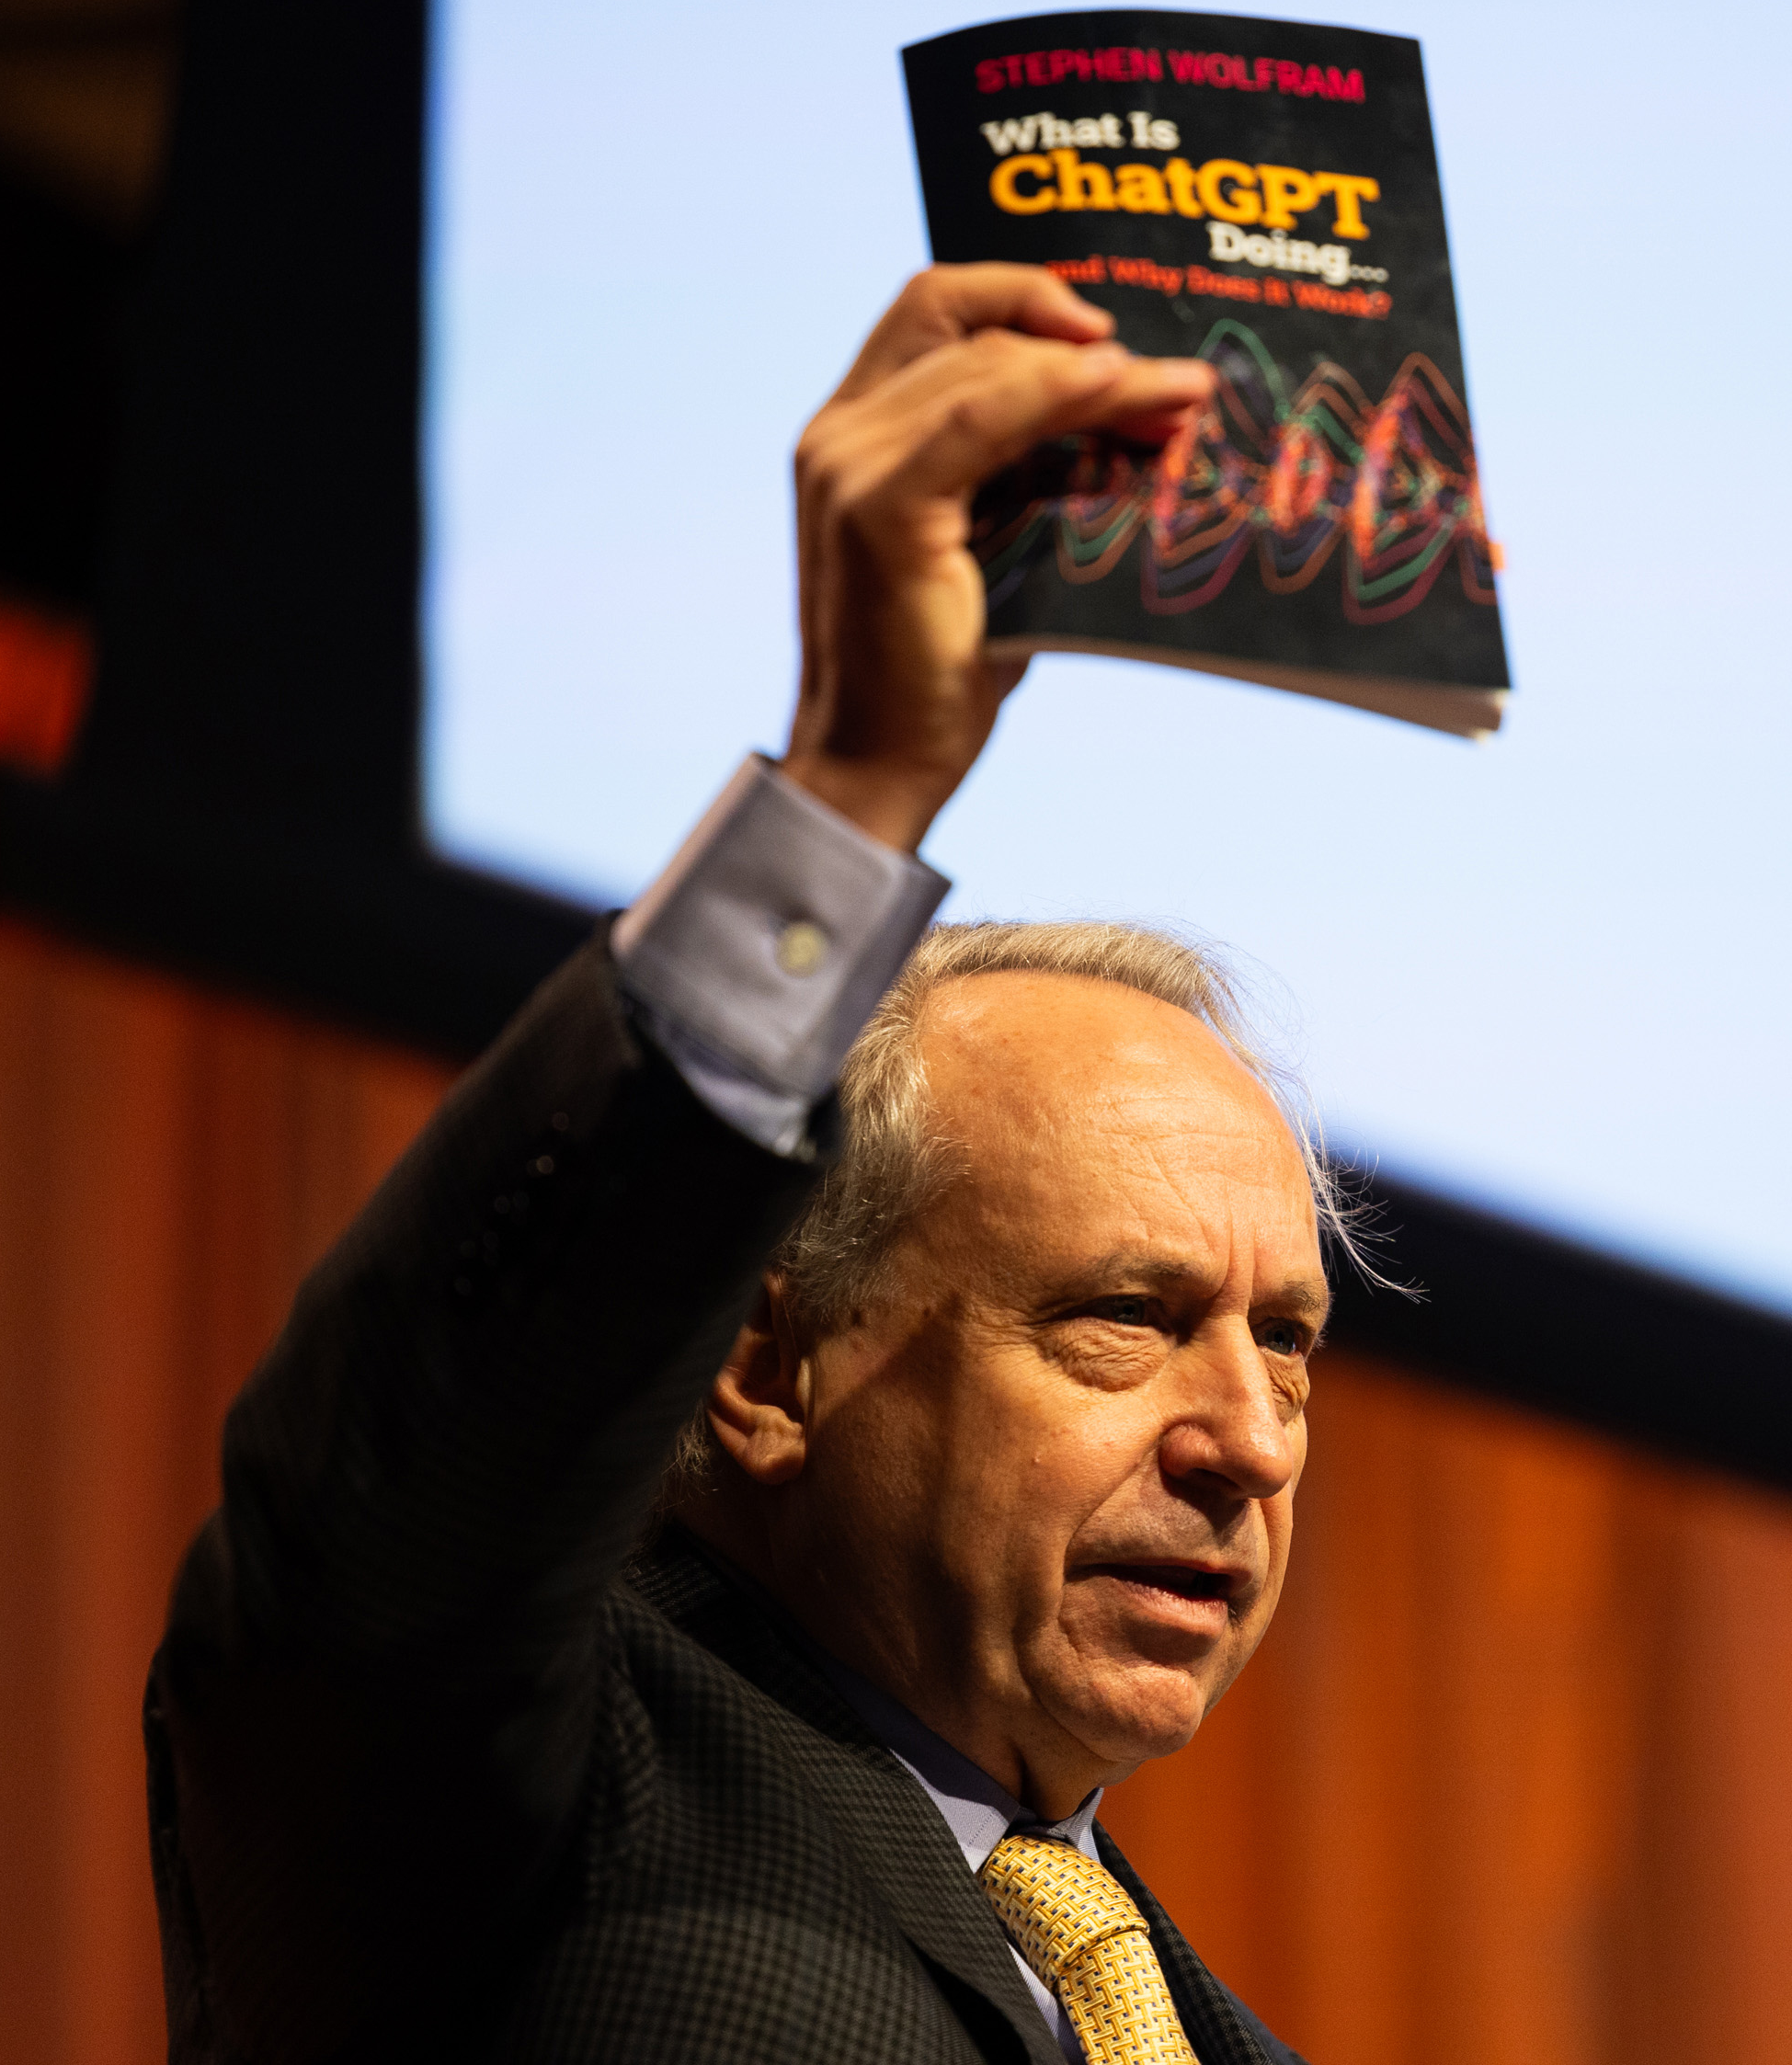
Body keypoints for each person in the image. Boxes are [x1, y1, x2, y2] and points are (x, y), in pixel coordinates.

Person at [145, 266, 1339, 2064]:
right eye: (1125, 1316)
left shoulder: (1209, 2034)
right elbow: (411, 1472)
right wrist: (851, 790)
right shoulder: (523, 1788)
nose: (1248, 1440)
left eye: (1291, 1339)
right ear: (772, 1365)